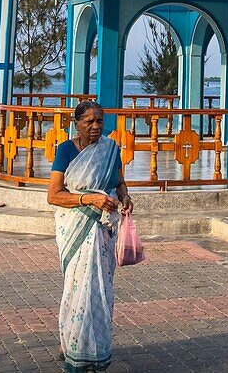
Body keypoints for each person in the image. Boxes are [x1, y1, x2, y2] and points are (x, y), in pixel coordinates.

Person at [47, 100, 133, 373]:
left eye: (99, 122)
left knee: (100, 291)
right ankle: (72, 345)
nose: (95, 127)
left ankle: (97, 349)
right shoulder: (65, 151)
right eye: (89, 122)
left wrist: (125, 196)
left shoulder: (110, 149)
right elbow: (54, 195)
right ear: (77, 124)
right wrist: (89, 199)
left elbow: (118, 181)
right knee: (78, 289)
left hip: (103, 230)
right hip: (76, 228)